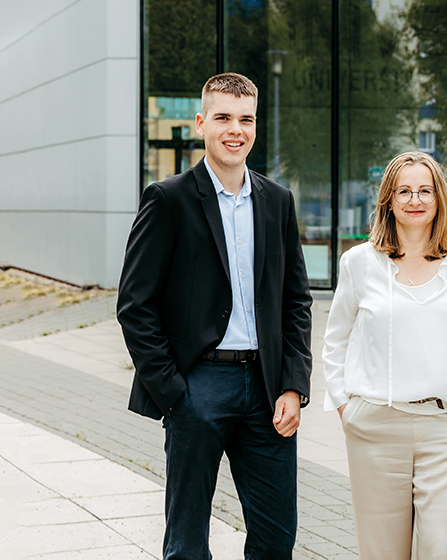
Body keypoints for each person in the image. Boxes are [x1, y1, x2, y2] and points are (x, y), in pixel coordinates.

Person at [117, 73, 313, 560]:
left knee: (275, 538)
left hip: (267, 389)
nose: (235, 129)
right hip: (198, 385)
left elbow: (296, 300)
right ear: (202, 122)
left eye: (245, 119)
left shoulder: (277, 201)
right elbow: (134, 305)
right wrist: (173, 392)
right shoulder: (168, 199)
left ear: (255, 126)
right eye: (223, 117)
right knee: (186, 544)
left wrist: (293, 383)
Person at [321, 151, 447, 560]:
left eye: (424, 190)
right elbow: (335, 340)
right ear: (388, 200)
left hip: (446, 429)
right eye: (404, 191)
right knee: (382, 553)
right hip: (376, 428)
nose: (414, 200)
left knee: (444, 551)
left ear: (439, 200)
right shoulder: (358, 263)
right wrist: (346, 407)